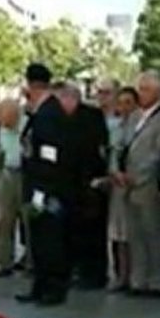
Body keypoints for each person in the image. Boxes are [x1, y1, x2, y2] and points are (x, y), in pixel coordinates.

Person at [16, 64, 74, 306]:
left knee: (50, 238)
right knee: (38, 237)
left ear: (31, 85)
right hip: (37, 183)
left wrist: (43, 186)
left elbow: (50, 153)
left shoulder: (50, 113)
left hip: (47, 185)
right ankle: (40, 285)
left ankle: (53, 288)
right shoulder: (40, 112)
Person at [122, 71, 160, 297]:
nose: (141, 94)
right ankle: (138, 278)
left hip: (148, 183)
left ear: (157, 92)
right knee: (135, 233)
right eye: (140, 88)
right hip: (126, 182)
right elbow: (122, 144)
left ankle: (158, 280)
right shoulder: (134, 117)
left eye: (146, 89)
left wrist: (140, 176)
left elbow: (158, 152)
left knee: (154, 231)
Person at [54, 81, 109, 289]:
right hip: (68, 181)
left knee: (93, 230)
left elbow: (100, 146)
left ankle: (94, 274)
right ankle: (74, 268)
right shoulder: (61, 118)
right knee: (72, 229)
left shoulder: (92, 116)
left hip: (90, 179)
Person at [105, 87, 140, 291]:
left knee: (129, 232)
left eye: (129, 102)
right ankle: (119, 274)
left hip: (132, 181)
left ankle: (131, 274)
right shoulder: (114, 127)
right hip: (115, 181)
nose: (125, 107)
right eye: (121, 103)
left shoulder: (138, 126)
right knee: (116, 232)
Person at [0, 97, 26, 278]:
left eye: (7, 119)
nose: (4, 123)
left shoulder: (26, 124)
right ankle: (4, 261)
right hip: (7, 173)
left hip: (25, 173)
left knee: (28, 218)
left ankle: (30, 260)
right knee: (4, 219)